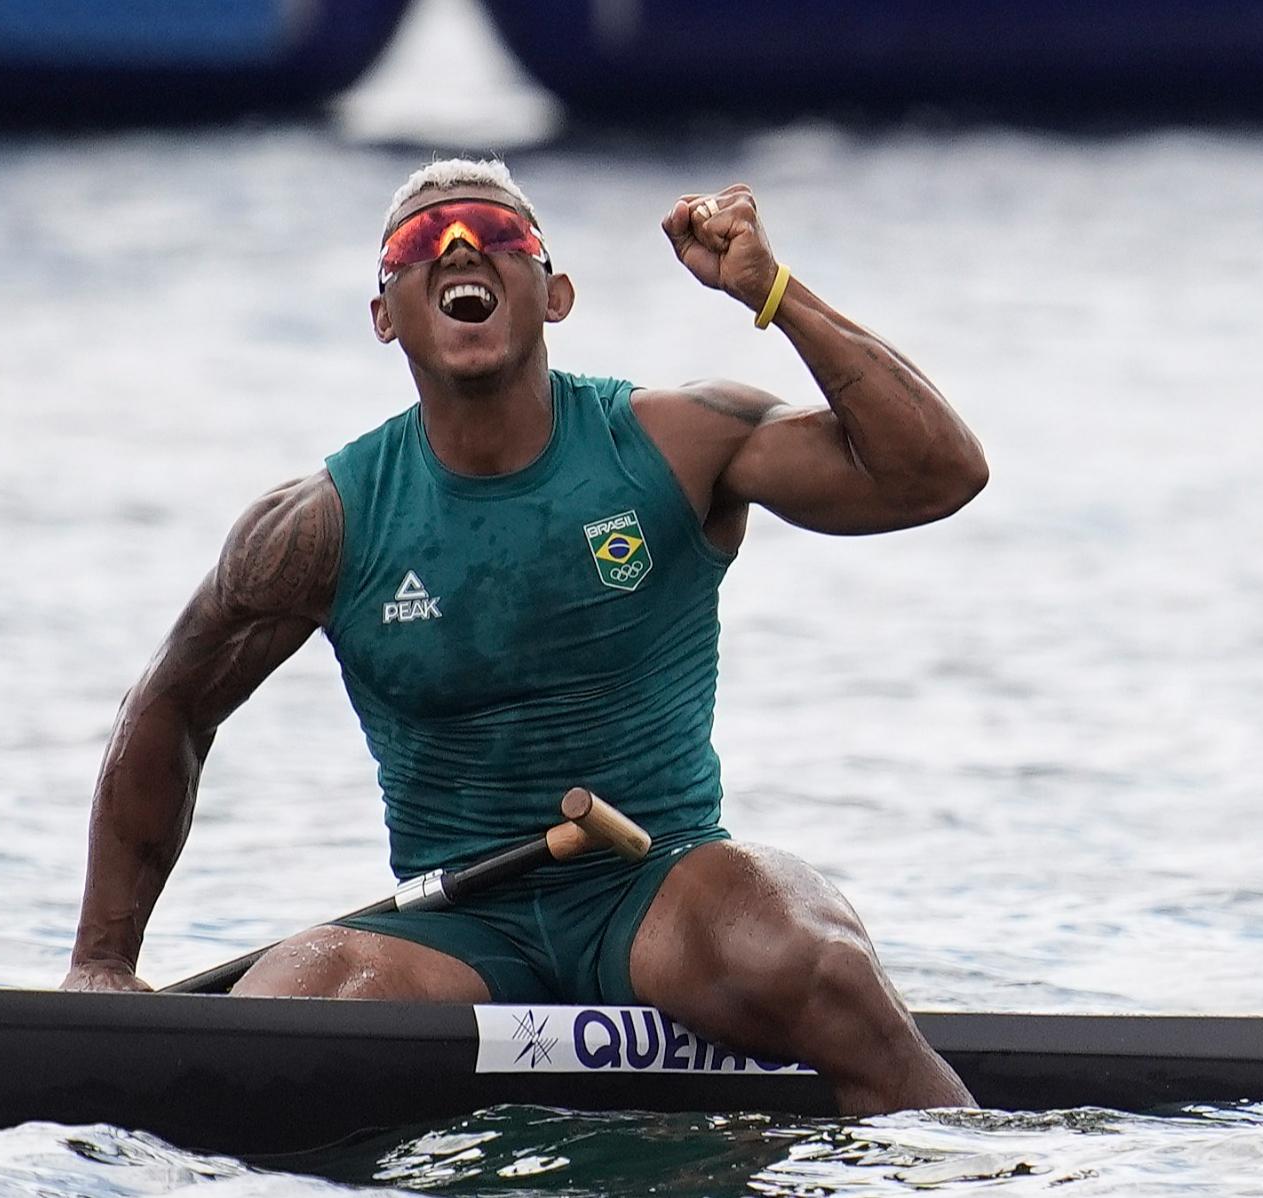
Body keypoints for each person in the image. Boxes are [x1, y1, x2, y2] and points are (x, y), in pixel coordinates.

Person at [62, 157, 987, 1114]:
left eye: (496, 236)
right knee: (277, 1018)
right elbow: (170, 707)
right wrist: (101, 964)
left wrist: (772, 293)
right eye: (423, 243)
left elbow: (935, 475)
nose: (460, 247)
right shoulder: (319, 526)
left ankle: (955, 1154)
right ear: (385, 316)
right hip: (455, 930)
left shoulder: (678, 440)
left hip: (658, 890)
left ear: (555, 296)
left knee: (814, 962)